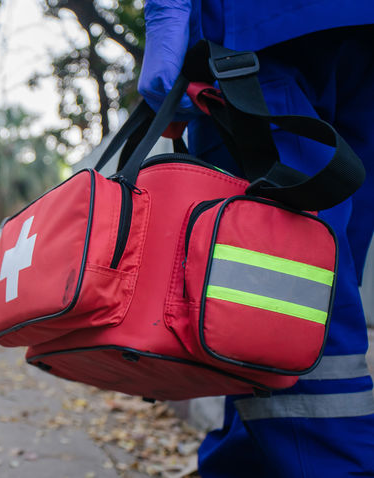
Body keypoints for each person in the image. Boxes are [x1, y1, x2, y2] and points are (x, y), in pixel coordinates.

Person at [139, 2, 374, 476]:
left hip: (254, 39)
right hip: (309, 39)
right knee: (286, 304)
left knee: (283, 306)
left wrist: (167, 17)